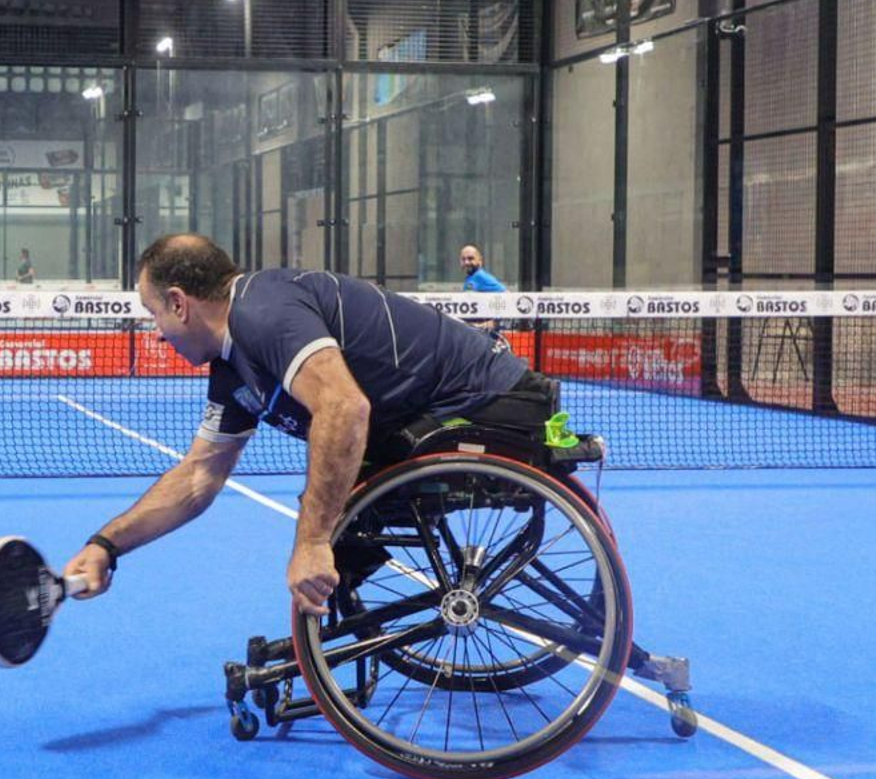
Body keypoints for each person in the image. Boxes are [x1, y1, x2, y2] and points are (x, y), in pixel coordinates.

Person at [62, 234, 563, 618]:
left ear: (179, 302)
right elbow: (198, 477)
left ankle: (337, 627)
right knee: (328, 502)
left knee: (325, 515)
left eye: (154, 314)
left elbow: (344, 408)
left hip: (490, 405)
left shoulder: (264, 313)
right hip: (432, 415)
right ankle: (338, 635)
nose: (156, 332)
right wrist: (107, 544)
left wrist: (313, 543)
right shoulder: (233, 365)